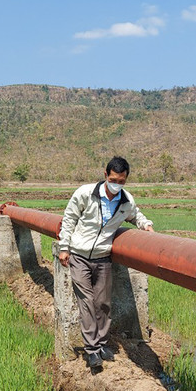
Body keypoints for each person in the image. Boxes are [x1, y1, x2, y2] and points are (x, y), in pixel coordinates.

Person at [56, 156, 154, 369]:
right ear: (105, 175)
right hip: (79, 256)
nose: (116, 184)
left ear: (126, 180)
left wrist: (146, 226)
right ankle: (92, 350)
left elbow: (136, 215)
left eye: (121, 181)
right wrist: (64, 247)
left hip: (103, 258)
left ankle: (101, 345)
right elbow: (69, 218)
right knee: (87, 302)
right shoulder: (85, 193)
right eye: (113, 179)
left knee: (103, 304)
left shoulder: (125, 200)